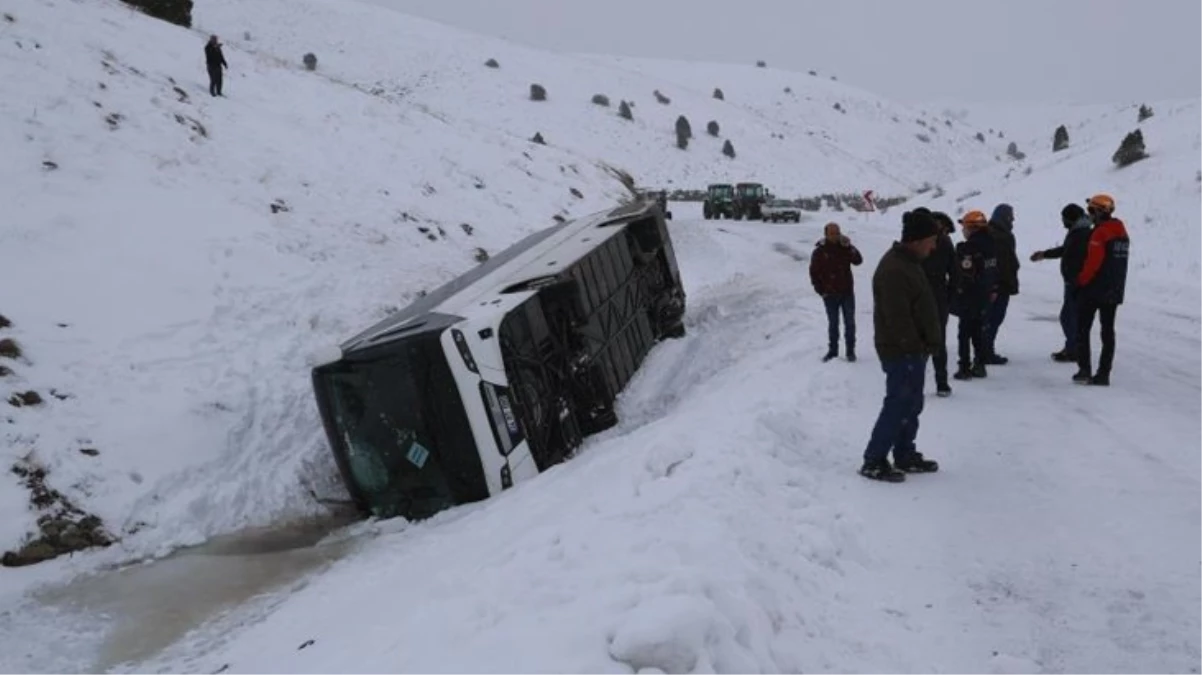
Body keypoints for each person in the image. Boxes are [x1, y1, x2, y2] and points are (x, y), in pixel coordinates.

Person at [859, 209, 942, 482]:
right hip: (902, 351)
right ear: (917, 240)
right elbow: (897, 318)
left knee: (911, 404)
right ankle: (874, 459)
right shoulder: (895, 269)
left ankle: (904, 453)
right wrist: (913, 347)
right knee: (898, 404)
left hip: (912, 350)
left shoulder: (908, 262)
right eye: (931, 240)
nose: (934, 246)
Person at [1073, 194, 1129, 386]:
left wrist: (1080, 281)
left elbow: (1093, 263)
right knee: (1108, 332)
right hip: (1114, 289)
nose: (1090, 215)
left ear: (1099, 212)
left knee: (1082, 329)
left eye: (1091, 211)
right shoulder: (1121, 232)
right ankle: (1104, 373)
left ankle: (1084, 370)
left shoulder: (1100, 233)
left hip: (1094, 289)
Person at [1030, 203, 1093, 362]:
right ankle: (1073, 348)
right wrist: (1044, 254)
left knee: (1069, 317)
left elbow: (1075, 256)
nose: (1062, 222)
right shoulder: (1078, 231)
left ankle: (1074, 349)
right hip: (1073, 281)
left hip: (1077, 282)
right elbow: (1065, 250)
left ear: (1071, 219)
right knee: (1071, 316)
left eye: (1064, 219)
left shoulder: (1082, 234)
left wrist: (1077, 279)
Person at [950, 209, 999, 381]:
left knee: (964, 332)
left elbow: (964, 274)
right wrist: (994, 289)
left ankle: (964, 367)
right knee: (978, 330)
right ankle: (980, 364)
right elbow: (994, 270)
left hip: (970, 295)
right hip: (985, 294)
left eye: (964, 227)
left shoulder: (968, 248)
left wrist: (957, 290)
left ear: (971, 228)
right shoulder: (992, 245)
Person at [809, 222, 864, 362]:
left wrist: (850, 247)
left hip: (847, 292)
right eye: (832, 233)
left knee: (850, 323)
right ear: (826, 234)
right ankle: (833, 351)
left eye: (837, 232)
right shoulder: (820, 251)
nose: (835, 235)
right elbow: (814, 273)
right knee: (833, 324)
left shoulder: (845, 247)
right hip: (829, 294)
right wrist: (821, 290)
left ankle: (850, 352)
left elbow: (858, 261)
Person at [923, 211, 959, 397]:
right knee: (938, 341)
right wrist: (949, 296)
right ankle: (942, 383)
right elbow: (955, 273)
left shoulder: (917, 240)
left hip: (921, 294)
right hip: (938, 295)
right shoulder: (945, 242)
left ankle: (915, 383)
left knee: (918, 341)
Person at [984, 203, 1020, 364]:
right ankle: (985, 351)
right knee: (992, 319)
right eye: (1010, 216)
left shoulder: (994, 233)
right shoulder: (1000, 236)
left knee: (991, 319)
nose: (1013, 219)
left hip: (997, 284)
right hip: (998, 285)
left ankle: (984, 349)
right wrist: (996, 285)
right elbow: (1001, 263)